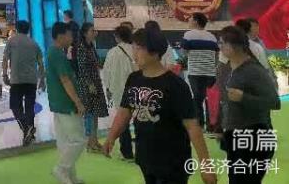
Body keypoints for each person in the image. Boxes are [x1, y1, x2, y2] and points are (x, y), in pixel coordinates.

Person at [103, 28, 216, 184]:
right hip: (145, 157)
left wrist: (206, 166)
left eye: (139, 48)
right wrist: (111, 136)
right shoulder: (134, 79)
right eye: (133, 48)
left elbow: (192, 127)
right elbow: (124, 111)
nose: (134, 53)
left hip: (173, 161)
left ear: (155, 52)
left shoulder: (176, 85)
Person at [218, 25, 280, 184]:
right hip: (237, 136)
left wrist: (244, 98)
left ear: (234, 46)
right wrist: (221, 127)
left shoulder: (253, 70)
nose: (220, 47)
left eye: (222, 43)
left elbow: (274, 102)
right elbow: (226, 101)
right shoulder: (229, 68)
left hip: (254, 136)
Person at [46, 21, 86, 184]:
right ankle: (61, 169)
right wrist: (78, 102)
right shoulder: (57, 54)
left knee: (65, 142)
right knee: (78, 140)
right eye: (70, 35)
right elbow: (65, 80)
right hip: (65, 103)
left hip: (58, 103)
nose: (72, 38)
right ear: (61, 36)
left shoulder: (53, 52)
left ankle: (70, 176)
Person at [2, 20, 45, 146]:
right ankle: (29, 134)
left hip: (17, 80)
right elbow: (41, 63)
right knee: (29, 107)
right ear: (28, 30)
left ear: (17, 29)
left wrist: (4, 74)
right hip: (31, 80)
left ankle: (26, 128)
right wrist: (42, 79)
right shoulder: (34, 43)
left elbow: (5, 59)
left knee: (15, 106)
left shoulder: (11, 41)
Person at [102, 25, 135, 161]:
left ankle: (126, 153)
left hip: (118, 91)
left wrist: (108, 88)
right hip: (135, 89)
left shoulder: (112, 52)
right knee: (140, 119)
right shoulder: (135, 50)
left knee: (122, 121)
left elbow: (106, 73)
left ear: (118, 37)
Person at [75, 22, 108, 152]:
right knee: (89, 113)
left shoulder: (91, 46)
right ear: (85, 33)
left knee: (95, 113)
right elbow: (82, 69)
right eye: (92, 31)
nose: (95, 33)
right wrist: (90, 84)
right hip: (87, 85)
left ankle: (94, 140)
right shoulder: (81, 48)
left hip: (95, 82)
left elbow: (96, 63)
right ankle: (89, 142)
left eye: (95, 30)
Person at [182, 13, 219, 127]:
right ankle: (212, 125)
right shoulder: (212, 37)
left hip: (195, 73)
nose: (188, 21)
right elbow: (216, 55)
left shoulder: (189, 35)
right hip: (210, 73)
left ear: (196, 21)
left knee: (197, 100)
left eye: (190, 19)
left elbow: (184, 52)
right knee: (209, 99)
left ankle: (199, 124)